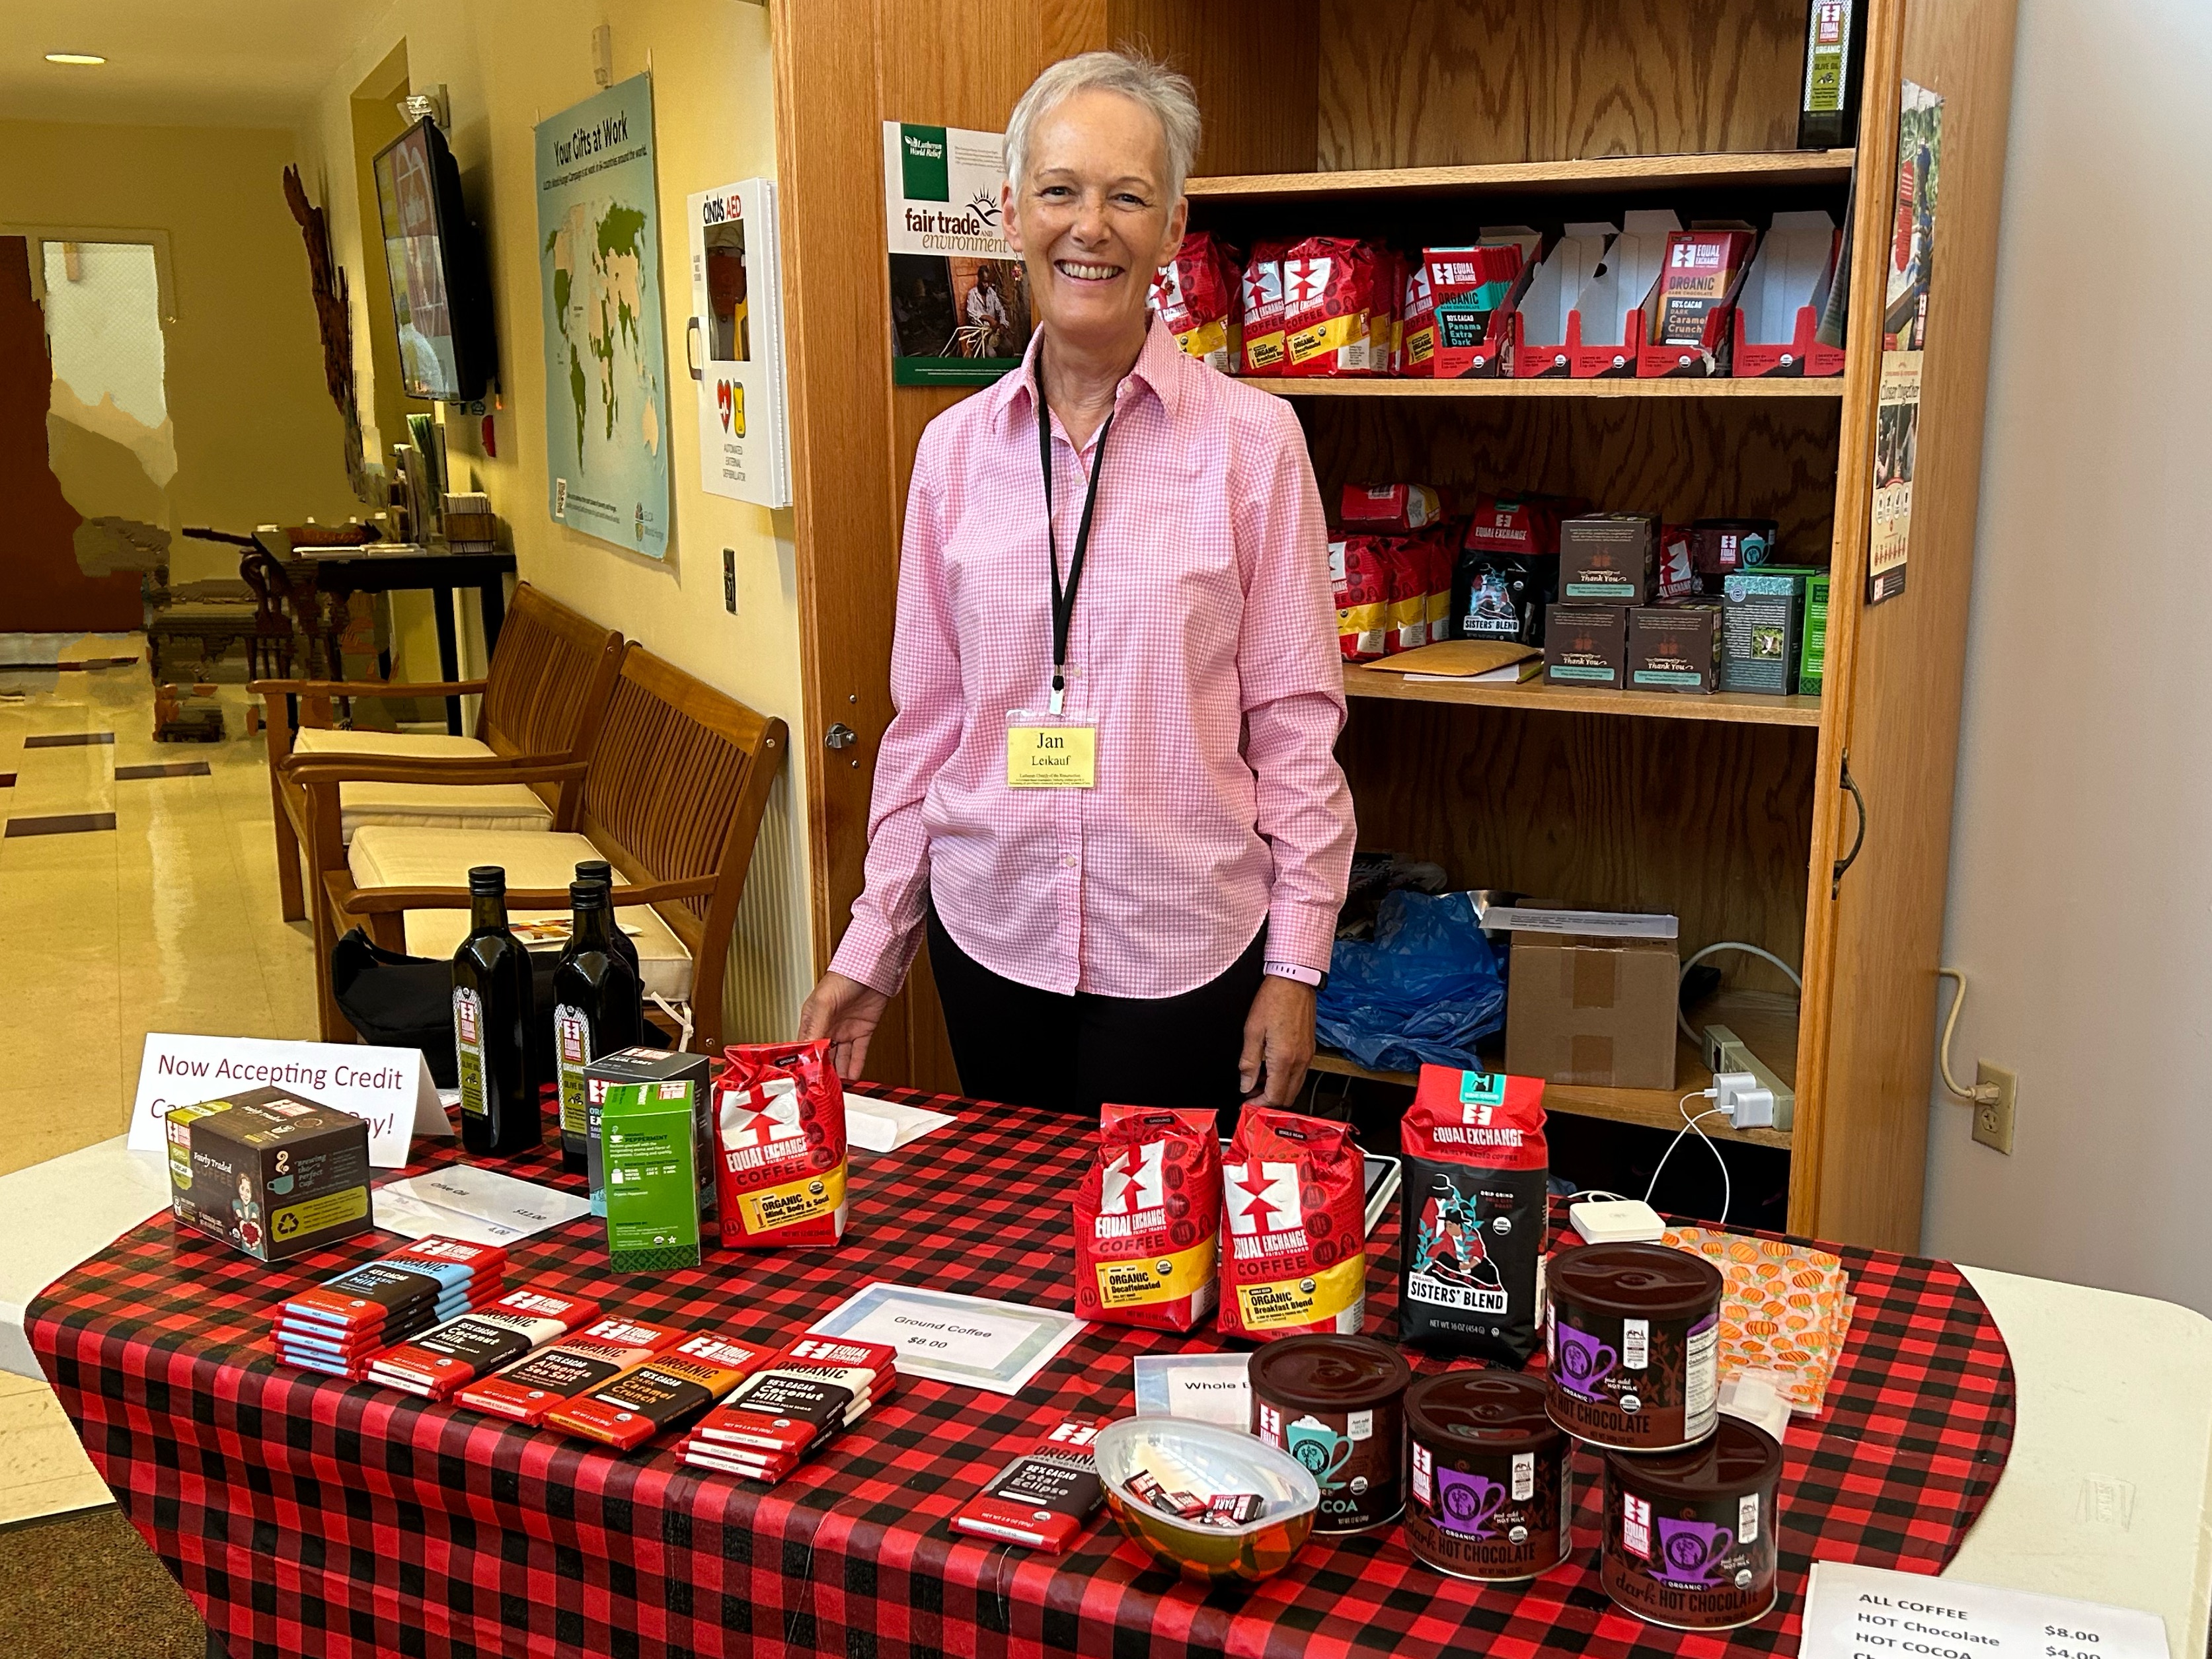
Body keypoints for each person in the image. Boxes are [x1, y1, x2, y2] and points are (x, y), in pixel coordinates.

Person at [798, 50, 1354, 1118]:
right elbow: (930, 728)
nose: (1089, 225)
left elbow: (1295, 730)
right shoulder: (952, 456)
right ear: (1012, 214)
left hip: (1187, 957)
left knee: (1163, 1273)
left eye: (1127, 196)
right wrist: (874, 947)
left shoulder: (1254, 445)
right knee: (1021, 1261)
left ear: (1174, 228)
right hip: (990, 942)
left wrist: (1297, 966)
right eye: (1059, 190)